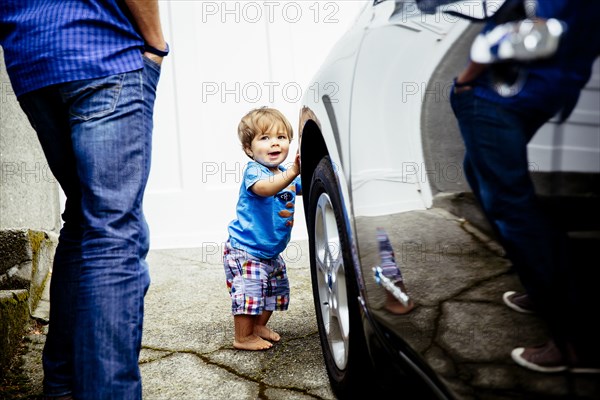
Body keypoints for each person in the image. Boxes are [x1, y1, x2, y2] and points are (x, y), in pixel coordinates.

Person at [0, 1, 168, 398]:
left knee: (82, 215)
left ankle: (63, 383)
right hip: (102, 50)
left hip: (32, 60)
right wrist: (155, 44)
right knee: (113, 231)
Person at [450, 1, 600, 373]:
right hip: (547, 88)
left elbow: (542, 30)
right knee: (483, 176)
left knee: (512, 208)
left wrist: (470, 72)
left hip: (500, 93)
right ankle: (542, 288)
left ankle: (574, 344)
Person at [224, 107, 301, 351]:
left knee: (274, 291)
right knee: (250, 292)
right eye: (264, 138)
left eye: (281, 137)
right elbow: (266, 189)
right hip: (246, 250)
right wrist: (292, 172)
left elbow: (306, 183)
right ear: (249, 149)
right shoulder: (255, 172)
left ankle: (257, 326)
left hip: (269, 252)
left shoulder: (286, 174)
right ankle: (243, 336)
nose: (274, 143)